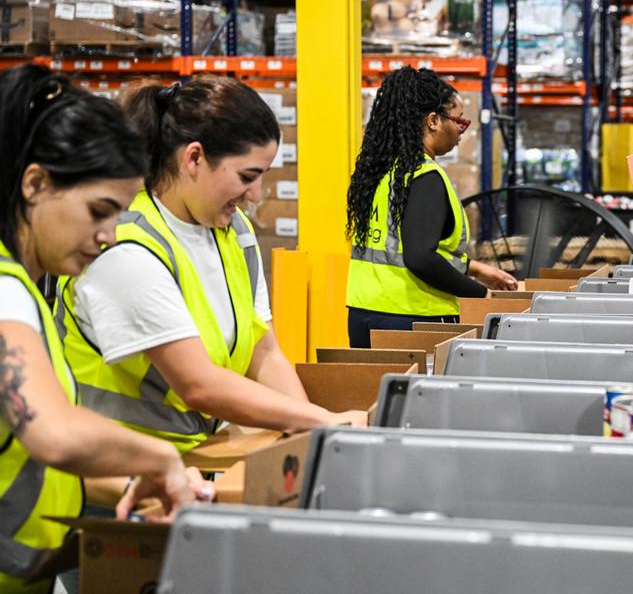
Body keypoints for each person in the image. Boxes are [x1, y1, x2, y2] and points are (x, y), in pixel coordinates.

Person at [56, 76, 367, 459]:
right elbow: (197, 384)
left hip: (196, 458)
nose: (255, 196)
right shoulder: (125, 247)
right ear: (194, 158)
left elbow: (262, 350)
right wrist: (321, 422)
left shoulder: (234, 232)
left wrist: (313, 437)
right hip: (116, 472)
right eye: (247, 177)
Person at [0, 65, 209, 594]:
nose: (108, 237)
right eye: (99, 211)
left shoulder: (27, 290)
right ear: (35, 183)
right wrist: (161, 458)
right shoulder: (5, 291)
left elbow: (27, 456)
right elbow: (55, 434)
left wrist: (141, 483)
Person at [345, 66, 517, 343]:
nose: (461, 132)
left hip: (364, 313)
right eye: (459, 121)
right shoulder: (425, 177)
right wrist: (480, 294)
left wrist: (475, 269)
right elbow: (420, 258)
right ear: (434, 120)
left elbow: (401, 245)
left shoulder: (379, 174)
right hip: (413, 318)